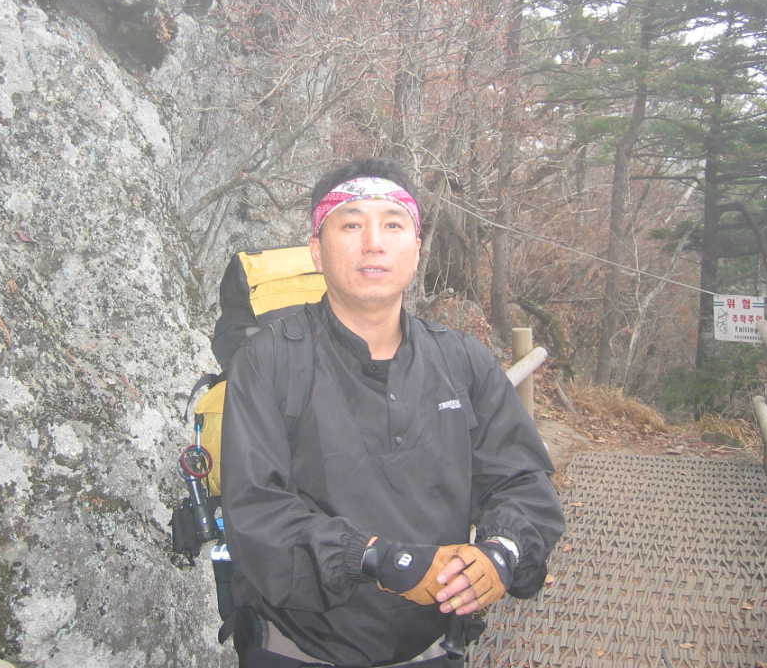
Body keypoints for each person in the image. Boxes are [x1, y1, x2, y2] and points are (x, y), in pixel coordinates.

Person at [220, 157, 565, 668]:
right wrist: (379, 559)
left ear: (417, 248)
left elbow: (522, 481)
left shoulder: (462, 360)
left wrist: (502, 552)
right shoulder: (271, 360)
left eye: (393, 224)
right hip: (297, 647)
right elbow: (256, 509)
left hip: (434, 647)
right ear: (317, 250)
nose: (374, 243)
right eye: (351, 224)